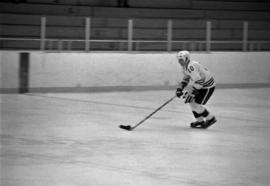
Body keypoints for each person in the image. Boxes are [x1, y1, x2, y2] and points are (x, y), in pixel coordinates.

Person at [175, 50, 217, 129]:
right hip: (201, 85)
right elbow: (186, 78)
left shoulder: (191, 67)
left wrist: (190, 93)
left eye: (181, 60)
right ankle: (200, 121)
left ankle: (211, 119)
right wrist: (179, 89)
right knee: (191, 102)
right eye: (178, 60)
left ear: (186, 59)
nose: (179, 62)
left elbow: (200, 83)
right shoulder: (185, 67)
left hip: (207, 87)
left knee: (196, 105)